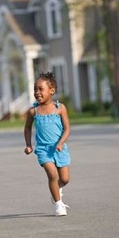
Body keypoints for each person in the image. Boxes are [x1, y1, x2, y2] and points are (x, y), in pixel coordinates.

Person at [24, 72, 71, 216]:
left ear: (52, 90)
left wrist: (61, 142)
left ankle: (56, 191)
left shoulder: (60, 108)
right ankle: (58, 205)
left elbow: (67, 128)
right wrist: (28, 145)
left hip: (59, 148)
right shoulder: (33, 111)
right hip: (44, 150)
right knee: (52, 175)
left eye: (40, 89)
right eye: (35, 89)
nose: (37, 92)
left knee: (64, 179)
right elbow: (27, 128)